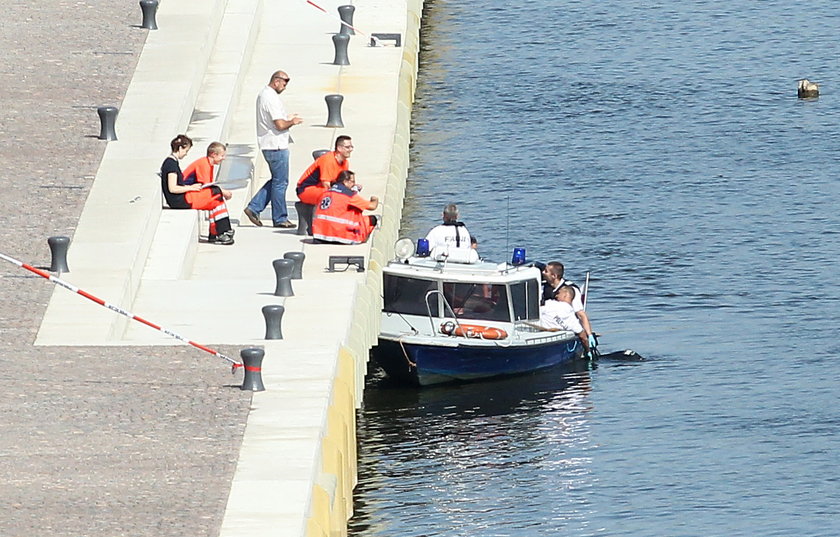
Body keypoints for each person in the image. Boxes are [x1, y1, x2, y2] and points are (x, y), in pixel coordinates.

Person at [243, 70, 303, 228]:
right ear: (276, 81)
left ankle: (254, 207)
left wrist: (287, 118)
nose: (285, 86)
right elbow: (280, 125)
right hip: (275, 146)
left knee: (277, 180)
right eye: (284, 82)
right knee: (281, 182)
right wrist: (293, 122)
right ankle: (280, 218)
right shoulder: (270, 98)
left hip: (271, 144)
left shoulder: (266, 95)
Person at [160, 134, 234, 245]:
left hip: (183, 196)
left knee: (215, 196)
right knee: (216, 194)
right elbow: (172, 188)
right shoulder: (171, 164)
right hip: (180, 199)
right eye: (186, 150)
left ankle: (219, 231)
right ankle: (221, 231)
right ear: (180, 148)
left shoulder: (172, 162)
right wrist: (191, 187)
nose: (186, 154)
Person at [540, 261, 596, 351]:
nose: (542, 272)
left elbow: (581, 315)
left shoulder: (570, 290)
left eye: (546, 271)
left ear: (554, 276)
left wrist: (589, 335)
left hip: (566, 325)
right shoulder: (543, 287)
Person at [311, 171, 379, 244]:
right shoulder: (350, 196)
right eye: (352, 182)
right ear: (346, 182)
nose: (354, 184)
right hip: (343, 237)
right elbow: (372, 206)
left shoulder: (325, 193)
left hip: (320, 236)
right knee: (372, 219)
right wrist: (374, 199)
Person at [296, 135, 354, 205]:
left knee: (349, 194)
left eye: (351, 147)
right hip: (306, 190)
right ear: (339, 148)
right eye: (347, 147)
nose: (351, 149)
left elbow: (343, 182)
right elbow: (326, 184)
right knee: (334, 196)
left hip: (321, 189)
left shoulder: (345, 162)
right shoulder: (328, 160)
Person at [539, 286, 591, 356]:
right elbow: (583, 336)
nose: (556, 295)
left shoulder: (549, 304)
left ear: (565, 295)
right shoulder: (572, 318)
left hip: (541, 334)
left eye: (558, 293)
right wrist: (588, 350)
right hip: (552, 339)